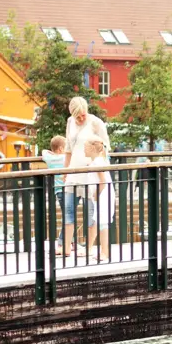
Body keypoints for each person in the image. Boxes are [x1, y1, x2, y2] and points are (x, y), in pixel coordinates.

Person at [63, 96, 110, 258]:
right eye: (78, 116)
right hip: (73, 170)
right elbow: (68, 149)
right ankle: (66, 247)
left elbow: (105, 148)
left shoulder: (96, 123)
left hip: (90, 172)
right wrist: (65, 171)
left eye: (83, 114)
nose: (81, 118)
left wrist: (100, 170)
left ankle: (90, 248)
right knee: (68, 209)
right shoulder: (70, 122)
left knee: (92, 212)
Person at [84, 138, 115, 261]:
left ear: (92, 149)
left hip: (102, 195)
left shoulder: (97, 163)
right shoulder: (98, 161)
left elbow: (102, 181)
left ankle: (105, 252)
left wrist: (96, 195)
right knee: (101, 223)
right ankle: (103, 251)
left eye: (85, 148)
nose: (84, 151)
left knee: (102, 224)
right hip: (103, 194)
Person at [42, 135, 67, 248]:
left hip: (58, 191)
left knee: (67, 216)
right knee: (69, 217)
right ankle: (63, 242)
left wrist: (52, 153)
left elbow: (44, 151)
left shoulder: (49, 159)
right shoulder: (65, 158)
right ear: (61, 149)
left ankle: (67, 241)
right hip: (68, 189)